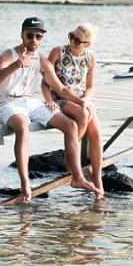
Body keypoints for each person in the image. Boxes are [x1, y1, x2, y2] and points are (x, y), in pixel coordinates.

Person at [0, 17, 103, 203]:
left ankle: (77, 177)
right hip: (7, 103)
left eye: (38, 36)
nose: (34, 40)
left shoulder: (41, 60)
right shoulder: (7, 56)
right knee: (23, 126)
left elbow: (61, 89)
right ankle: (25, 183)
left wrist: (81, 102)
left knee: (70, 125)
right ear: (22, 35)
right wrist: (16, 65)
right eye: (30, 35)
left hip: (30, 102)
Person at [41, 23, 104, 196]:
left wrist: (85, 99)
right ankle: (70, 159)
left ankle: (97, 178)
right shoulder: (57, 52)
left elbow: (90, 87)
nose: (72, 41)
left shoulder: (90, 57)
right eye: (71, 36)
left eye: (77, 40)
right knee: (84, 114)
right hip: (59, 97)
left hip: (80, 99)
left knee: (97, 134)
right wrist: (48, 100)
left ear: (87, 44)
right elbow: (45, 81)